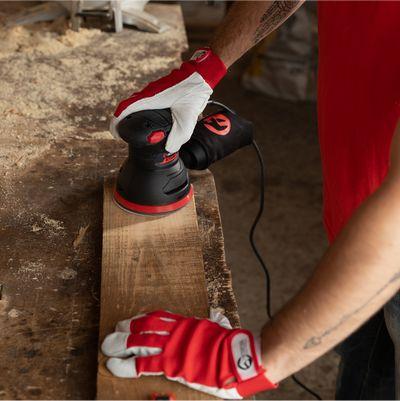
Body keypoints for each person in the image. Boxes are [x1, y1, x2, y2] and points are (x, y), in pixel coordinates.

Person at [103, 1, 400, 399]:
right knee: (363, 377)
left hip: (390, 243)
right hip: (358, 229)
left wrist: (251, 360)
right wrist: (207, 66)